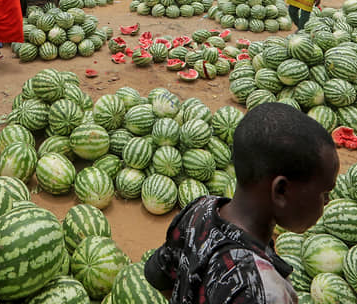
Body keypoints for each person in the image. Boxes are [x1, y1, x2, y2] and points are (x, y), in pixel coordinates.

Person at [145, 102, 338, 304]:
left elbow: (157, 274)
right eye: (324, 193)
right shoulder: (265, 291)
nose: (328, 201)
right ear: (281, 190)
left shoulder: (200, 208)